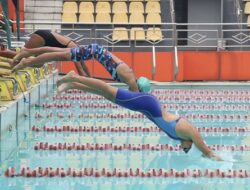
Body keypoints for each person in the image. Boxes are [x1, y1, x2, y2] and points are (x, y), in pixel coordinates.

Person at [56, 71, 222, 161]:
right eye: (186, 149)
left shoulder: (180, 137)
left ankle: (73, 85)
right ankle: (74, 77)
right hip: (147, 104)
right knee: (108, 90)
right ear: (191, 144)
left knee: (107, 96)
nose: (183, 149)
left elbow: (200, 148)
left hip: (146, 108)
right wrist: (212, 155)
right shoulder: (186, 129)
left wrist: (205, 154)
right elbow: (204, 146)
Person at [12, 44, 150, 92]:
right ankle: (26, 62)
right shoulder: (131, 79)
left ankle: (28, 53)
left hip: (94, 52)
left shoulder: (130, 77)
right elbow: (136, 97)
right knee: (60, 55)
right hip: (94, 52)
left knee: (59, 53)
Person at [0, 30, 88, 76]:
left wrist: (91, 78)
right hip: (42, 37)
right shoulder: (75, 50)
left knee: (39, 64)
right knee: (24, 54)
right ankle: (2, 52)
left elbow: (84, 66)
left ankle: (13, 63)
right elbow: (80, 70)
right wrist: (90, 85)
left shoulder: (78, 50)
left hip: (45, 38)